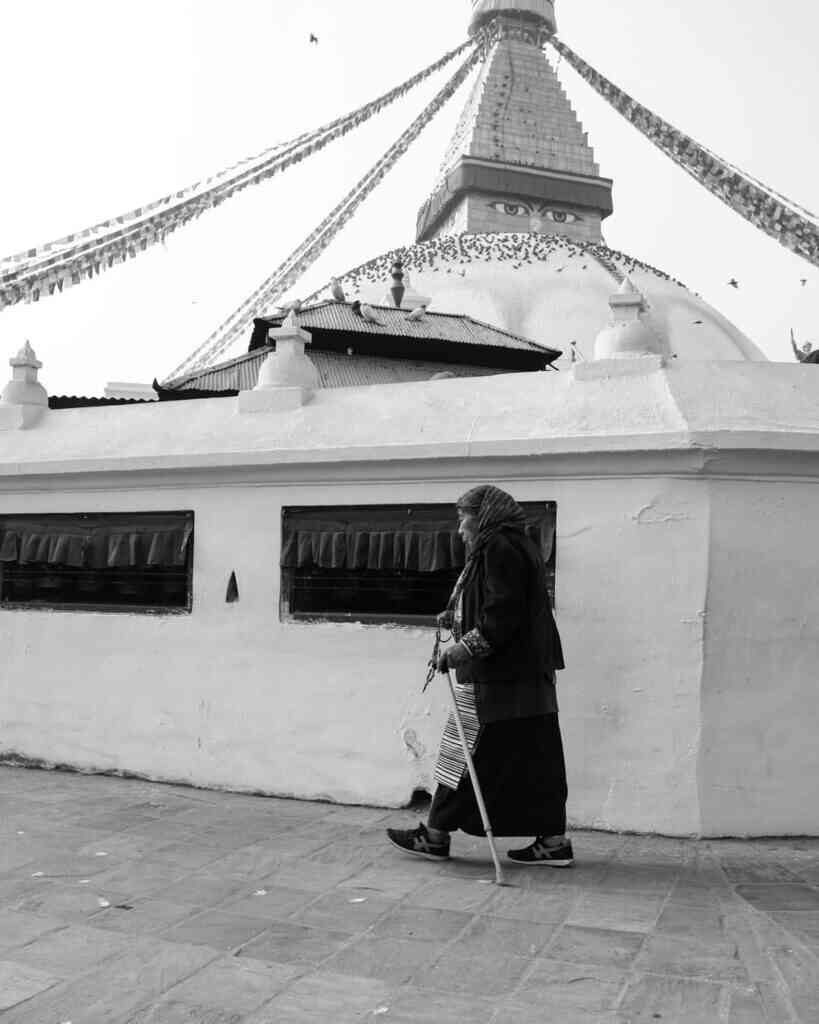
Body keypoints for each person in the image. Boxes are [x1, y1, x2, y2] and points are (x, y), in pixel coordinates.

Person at [386, 484, 572, 867]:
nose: (459, 529)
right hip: (522, 675)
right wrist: (455, 618)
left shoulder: (501, 547)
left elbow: (503, 614)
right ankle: (552, 841)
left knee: (465, 752)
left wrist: (463, 648)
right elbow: (495, 605)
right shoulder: (511, 544)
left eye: (462, 518)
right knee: (535, 757)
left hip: (503, 678)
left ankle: (436, 836)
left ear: (483, 515)